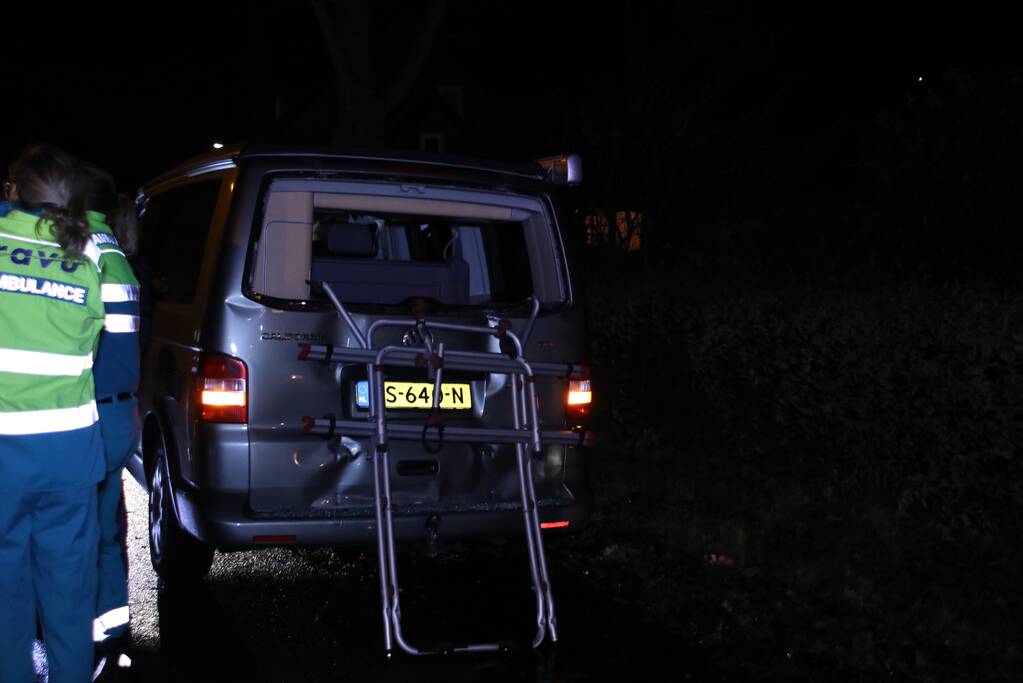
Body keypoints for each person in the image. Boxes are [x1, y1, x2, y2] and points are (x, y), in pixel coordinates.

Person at [0, 145, 106, 682]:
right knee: (70, 595)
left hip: (5, 453)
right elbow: (91, 347)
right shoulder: (88, 257)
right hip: (69, 453)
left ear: (14, 190)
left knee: (5, 594)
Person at [82, 164, 141, 666]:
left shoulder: (83, 251)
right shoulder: (114, 251)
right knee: (105, 529)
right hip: (120, 412)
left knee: (80, 532)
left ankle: (87, 638)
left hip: (95, 415)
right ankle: (114, 632)